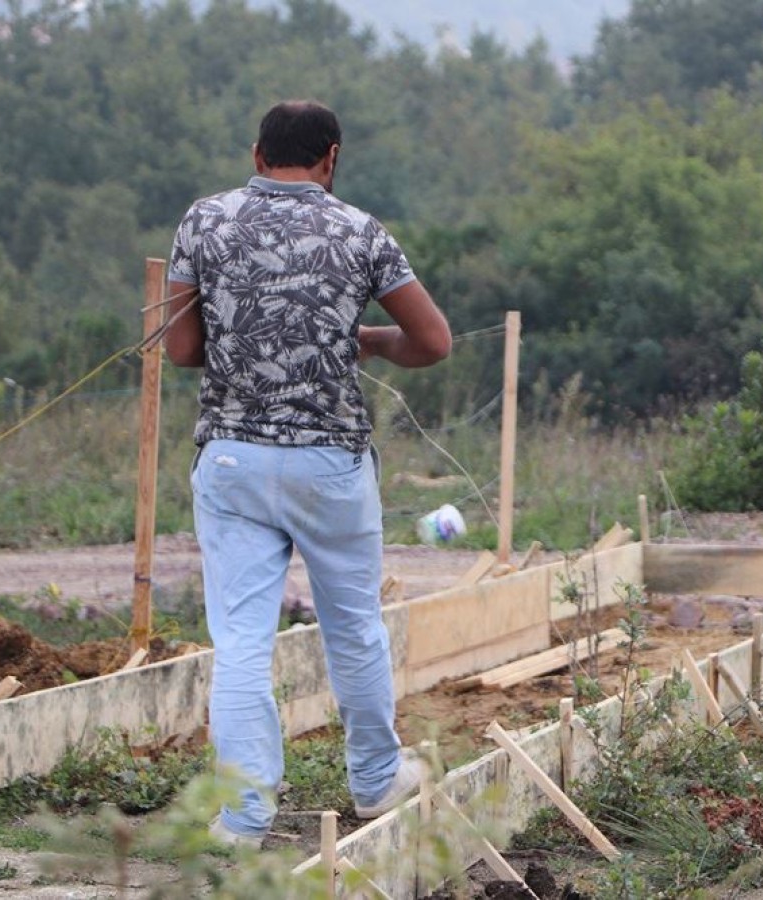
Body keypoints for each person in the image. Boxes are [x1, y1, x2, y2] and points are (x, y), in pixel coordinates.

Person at [164, 100, 452, 848]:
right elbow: (433, 341)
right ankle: (374, 782)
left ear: (258, 154)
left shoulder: (203, 221)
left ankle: (243, 818)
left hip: (231, 458)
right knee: (353, 626)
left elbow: (182, 349)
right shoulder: (360, 231)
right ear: (331, 158)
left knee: (241, 642)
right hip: (329, 462)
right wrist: (373, 343)